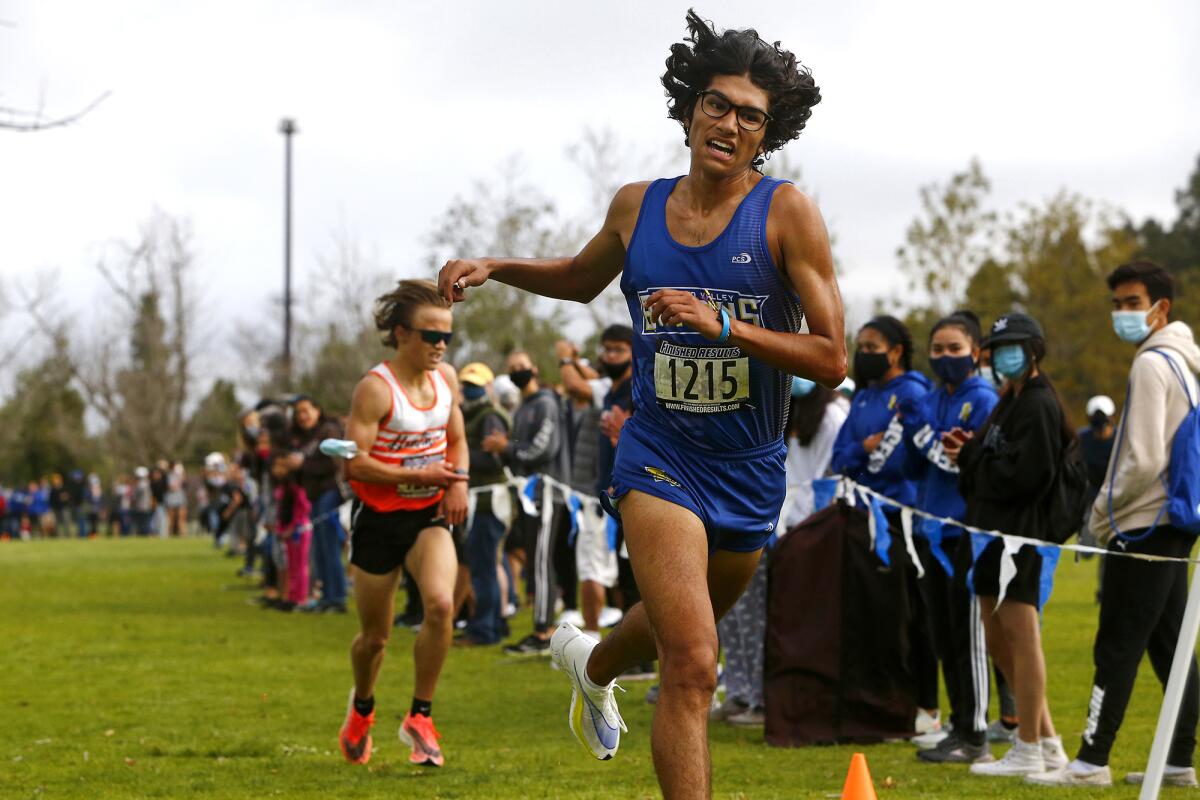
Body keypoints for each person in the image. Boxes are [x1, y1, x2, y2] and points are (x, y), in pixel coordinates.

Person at [438, 11, 843, 796]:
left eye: (750, 116)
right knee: (693, 666)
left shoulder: (787, 214)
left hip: (751, 467)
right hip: (661, 456)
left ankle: (590, 664)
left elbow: (832, 358)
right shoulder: (637, 206)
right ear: (691, 107)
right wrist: (497, 265)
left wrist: (723, 322)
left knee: (666, 634)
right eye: (717, 104)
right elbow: (578, 277)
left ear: (767, 134)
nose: (729, 124)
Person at [1029, 261, 1200, 788]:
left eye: (1131, 303)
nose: (1122, 314)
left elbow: (1143, 459)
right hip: (1175, 522)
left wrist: (1100, 513)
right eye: (1117, 305)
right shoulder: (1187, 361)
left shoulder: (1152, 364)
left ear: (1160, 307)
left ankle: (1090, 761)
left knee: (1118, 642)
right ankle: (1177, 763)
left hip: (1144, 525)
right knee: (1171, 644)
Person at [337, 279, 468, 769]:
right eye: (431, 335)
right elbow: (356, 465)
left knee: (438, 604)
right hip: (378, 519)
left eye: (447, 338)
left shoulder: (446, 380)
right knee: (375, 638)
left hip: (428, 515)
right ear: (400, 334)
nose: (440, 346)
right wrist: (419, 472)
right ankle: (363, 707)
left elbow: (456, 438)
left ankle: (421, 716)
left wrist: (457, 481)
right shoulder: (375, 389)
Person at [953, 312, 1071, 778]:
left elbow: (1030, 476)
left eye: (1014, 347)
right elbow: (987, 457)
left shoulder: (1040, 403)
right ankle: (1048, 741)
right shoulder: (1009, 399)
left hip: (1021, 534)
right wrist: (971, 454)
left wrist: (977, 462)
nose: (1004, 356)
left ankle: (1027, 745)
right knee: (995, 632)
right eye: (997, 348)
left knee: (1022, 634)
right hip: (989, 530)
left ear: (1034, 350)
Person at [713, 375, 847, 728]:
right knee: (735, 611)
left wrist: (801, 524)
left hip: (803, 529)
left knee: (766, 618)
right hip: (764, 519)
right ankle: (740, 690)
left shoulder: (833, 415)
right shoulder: (781, 409)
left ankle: (761, 698)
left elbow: (827, 477)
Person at [896, 311, 999, 764]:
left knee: (967, 635)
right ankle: (958, 727)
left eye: (954, 349)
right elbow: (919, 461)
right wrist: (914, 438)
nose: (945, 357)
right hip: (927, 527)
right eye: (937, 349)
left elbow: (958, 460)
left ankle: (976, 733)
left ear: (976, 352)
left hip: (963, 533)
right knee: (942, 636)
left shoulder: (984, 399)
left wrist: (919, 431)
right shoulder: (935, 396)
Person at [830, 315, 936, 731]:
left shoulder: (913, 393)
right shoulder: (862, 396)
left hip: (905, 520)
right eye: (861, 346)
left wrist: (872, 454)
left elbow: (906, 460)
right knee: (876, 615)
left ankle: (927, 705)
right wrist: (864, 449)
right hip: (864, 519)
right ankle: (885, 700)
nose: (864, 355)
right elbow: (841, 457)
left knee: (915, 616)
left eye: (873, 347)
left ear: (896, 352)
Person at [486, 350, 569, 656]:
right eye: (513, 369)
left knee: (542, 559)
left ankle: (544, 631)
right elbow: (519, 450)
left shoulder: (546, 403)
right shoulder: (521, 409)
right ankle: (541, 626)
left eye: (523, 367)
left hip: (547, 491)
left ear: (534, 368)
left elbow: (543, 449)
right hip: (528, 493)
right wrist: (503, 447)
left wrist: (506, 446)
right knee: (535, 559)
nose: (519, 372)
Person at [457, 362, 514, 646]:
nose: (470, 389)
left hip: (489, 502)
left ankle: (484, 631)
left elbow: (494, 458)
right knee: (489, 565)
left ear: (488, 386)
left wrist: (458, 458)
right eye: (466, 383)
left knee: (484, 569)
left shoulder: (489, 417)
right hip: (479, 500)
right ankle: (493, 624)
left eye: (475, 384)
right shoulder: (471, 415)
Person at [289, 395, 349, 613]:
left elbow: (335, 464)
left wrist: (303, 463)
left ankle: (337, 597)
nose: (302, 416)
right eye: (298, 413)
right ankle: (325, 596)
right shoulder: (302, 437)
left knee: (330, 546)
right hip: (314, 496)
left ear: (317, 410)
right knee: (319, 548)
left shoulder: (329, 431)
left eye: (306, 411)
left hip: (331, 493)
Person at [270, 452, 312, 611]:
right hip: (288, 531)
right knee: (292, 566)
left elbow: (302, 509)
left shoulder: (296, 488)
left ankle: (300, 598)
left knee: (300, 566)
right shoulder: (283, 487)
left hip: (299, 531)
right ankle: (292, 596)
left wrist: (292, 528)